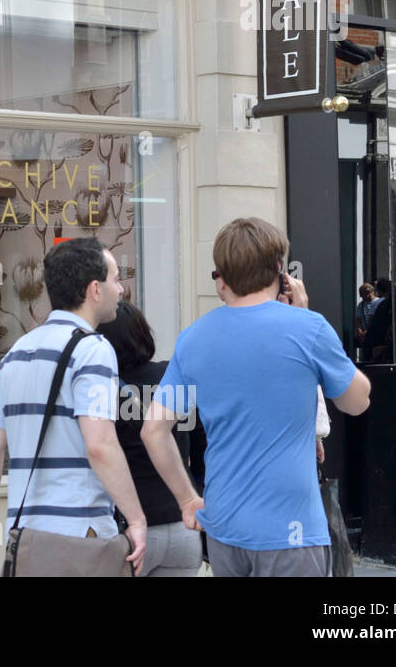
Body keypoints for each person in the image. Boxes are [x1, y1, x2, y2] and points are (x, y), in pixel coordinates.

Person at [142, 217, 371, 577]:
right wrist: (307, 318)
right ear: (279, 270)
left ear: (223, 276)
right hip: (291, 528)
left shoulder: (193, 338)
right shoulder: (308, 328)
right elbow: (357, 401)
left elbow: (153, 430)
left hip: (224, 525)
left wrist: (187, 499)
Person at [0, 238, 146, 576]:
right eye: (115, 279)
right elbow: (100, 445)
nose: (120, 289)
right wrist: (136, 518)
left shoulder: (16, 352)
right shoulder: (93, 350)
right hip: (81, 538)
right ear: (95, 290)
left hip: (29, 540)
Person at [98, 300, 205, 576]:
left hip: (131, 531)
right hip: (183, 525)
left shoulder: (102, 390)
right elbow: (203, 448)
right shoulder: (173, 377)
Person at [353, 282, 380, 355]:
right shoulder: (361, 305)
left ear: (369, 292)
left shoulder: (379, 302)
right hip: (365, 335)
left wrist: (367, 331)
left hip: (375, 333)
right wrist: (360, 332)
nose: (361, 296)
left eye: (362, 294)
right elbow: (358, 320)